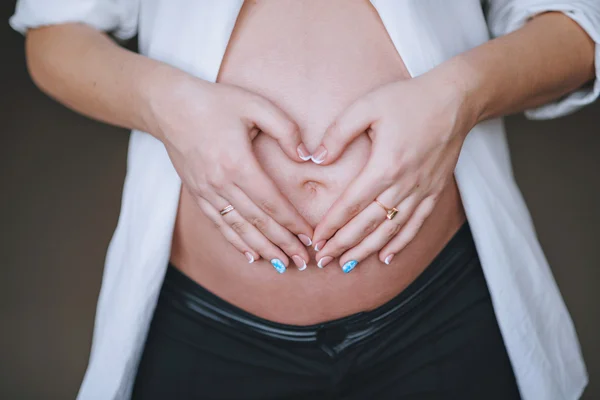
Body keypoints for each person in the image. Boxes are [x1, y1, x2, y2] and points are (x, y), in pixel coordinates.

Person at [10, 0, 599, 399]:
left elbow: (581, 26)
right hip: (207, 327)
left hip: (442, 313)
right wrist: (166, 105)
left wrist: (458, 96)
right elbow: (56, 32)